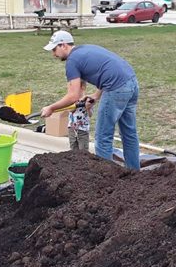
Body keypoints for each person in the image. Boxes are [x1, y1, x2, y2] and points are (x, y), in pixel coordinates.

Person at [41, 30, 140, 169]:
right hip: (132, 83)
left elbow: (73, 95)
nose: (53, 54)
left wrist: (51, 108)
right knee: (129, 133)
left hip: (116, 89)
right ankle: (134, 172)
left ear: (63, 45)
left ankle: (107, 180)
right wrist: (96, 95)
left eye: (54, 49)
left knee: (102, 137)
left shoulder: (72, 61)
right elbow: (108, 71)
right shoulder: (86, 49)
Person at [68, 82, 92, 151]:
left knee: (83, 150)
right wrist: (77, 102)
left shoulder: (88, 100)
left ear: (83, 87)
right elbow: (70, 110)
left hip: (83, 129)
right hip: (72, 127)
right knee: (73, 148)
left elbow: (90, 115)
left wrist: (88, 108)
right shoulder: (71, 99)